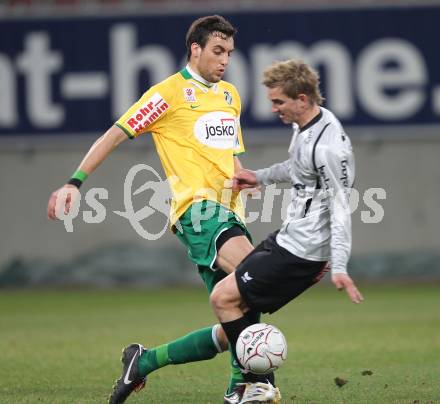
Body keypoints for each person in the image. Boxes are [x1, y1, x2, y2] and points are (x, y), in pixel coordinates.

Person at [47, 15, 272, 404]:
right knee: (259, 277)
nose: (224, 60)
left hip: (230, 212)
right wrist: (75, 181)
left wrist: (243, 178)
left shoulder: (229, 96)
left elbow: (231, 156)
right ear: (195, 49)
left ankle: (144, 361)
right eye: (217, 51)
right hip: (197, 212)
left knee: (239, 310)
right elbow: (115, 133)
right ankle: (251, 383)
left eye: (230, 53)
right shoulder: (166, 94)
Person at [210, 59, 364, 402]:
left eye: (279, 101)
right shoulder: (307, 128)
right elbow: (296, 169)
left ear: (303, 99)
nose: (274, 108)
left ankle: (259, 383)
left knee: (222, 298)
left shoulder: (327, 146)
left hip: (302, 253)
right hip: (288, 239)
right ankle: (256, 381)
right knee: (233, 302)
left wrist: (339, 267)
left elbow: (341, 208)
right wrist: (259, 176)